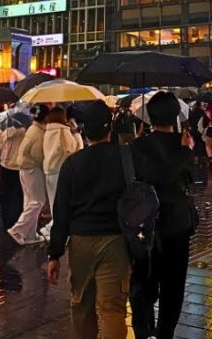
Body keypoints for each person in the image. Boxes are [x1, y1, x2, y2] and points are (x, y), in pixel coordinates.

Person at [46, 101, 129, 339]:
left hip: (81, 241)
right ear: (109, 129)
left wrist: (54, 254)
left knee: (81, 304)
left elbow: (61, 211)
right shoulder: (125, 158)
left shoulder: (73, 164)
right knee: (112, 309)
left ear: (84, 130)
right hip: (116, 240)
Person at [129, 92, 197, 339]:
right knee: (173, 285)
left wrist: (138, 145)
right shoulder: (185, 144)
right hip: (176, 224)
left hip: (145, 223)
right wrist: (186, 152)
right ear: (175, 116)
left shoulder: (138, 145)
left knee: (144, 280)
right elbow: (180, 178)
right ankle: (164, 333)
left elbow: (144, 176)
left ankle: (144, 330)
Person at [8, 106, 48, 245]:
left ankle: (30, 235)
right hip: (32, 169)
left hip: (24, 168)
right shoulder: (39, 133)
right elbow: (38, 155)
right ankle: (18, 230)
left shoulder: (32, 128)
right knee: (38, 201)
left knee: (30, 202)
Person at [42, 106, 83, 221]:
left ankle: (55, 226)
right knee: (63, 202)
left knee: (53, 201)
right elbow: (76, 149)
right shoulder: (62, 131)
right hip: (60, 170)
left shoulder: (48, 130)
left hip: (49, 170)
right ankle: (61, 229)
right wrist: (76, 132)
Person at [0, 114, 27, 230]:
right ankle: (15, 222)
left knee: (5, 196)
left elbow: (0, 146)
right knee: (17, 197)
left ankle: (6, 221)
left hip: (6, 166)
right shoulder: (26, 132)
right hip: (20, 167)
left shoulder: (7, 132)